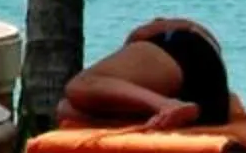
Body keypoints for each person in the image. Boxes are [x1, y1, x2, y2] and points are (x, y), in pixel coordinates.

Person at [60, 16, 235, 132]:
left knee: (82, 84)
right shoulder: (194, 34)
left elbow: (138, 35)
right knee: (65, 109)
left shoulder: (166, 29)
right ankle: (160, 116)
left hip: (183, 50)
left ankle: (166, 105)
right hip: (212, 107)